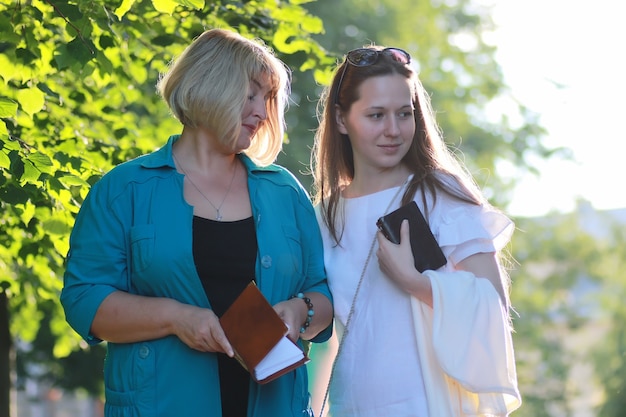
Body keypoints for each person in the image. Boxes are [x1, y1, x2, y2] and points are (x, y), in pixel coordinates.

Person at [61, 28, 333, 417]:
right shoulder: (125, 190)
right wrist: (175, 318)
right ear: (210, 85)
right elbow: (84, 299)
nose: (262, 112)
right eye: (251, 94)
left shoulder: (284, 193)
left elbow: (321, 294)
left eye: (268, 99)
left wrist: (299, 310)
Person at [311, 46, 522, 416]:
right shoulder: (324, 215)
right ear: (342, 119)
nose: (393, 130)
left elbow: (493, 306)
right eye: (376, 115)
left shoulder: (440, 195)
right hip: (353, 406)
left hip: (429, 405)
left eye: (404, 114)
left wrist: (414, 283)